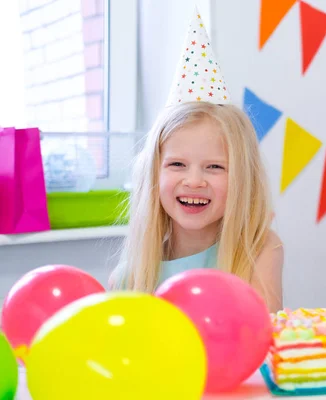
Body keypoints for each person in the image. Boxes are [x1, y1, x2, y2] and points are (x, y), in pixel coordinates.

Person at [109, 8, 283, 312]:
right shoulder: (129, 278)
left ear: (242, 179)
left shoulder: (259, 249)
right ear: (154, 175)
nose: (193, 181)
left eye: (214, 167)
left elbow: (262, 336)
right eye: (177, 164)